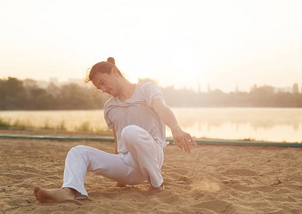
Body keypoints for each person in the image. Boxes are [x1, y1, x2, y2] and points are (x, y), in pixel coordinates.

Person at [34, 57, 196, 203]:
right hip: (126, 164)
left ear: (115, 72)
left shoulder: (147, 89)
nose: (103, 89)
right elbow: (118, 140)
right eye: (99, 87)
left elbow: (162, 108)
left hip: (151, 156)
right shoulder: (109, 107)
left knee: (130, 132)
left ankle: (157, 184)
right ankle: (70, 190)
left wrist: (176, 129)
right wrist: (120, 176)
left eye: (103, 82)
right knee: (78, 151)